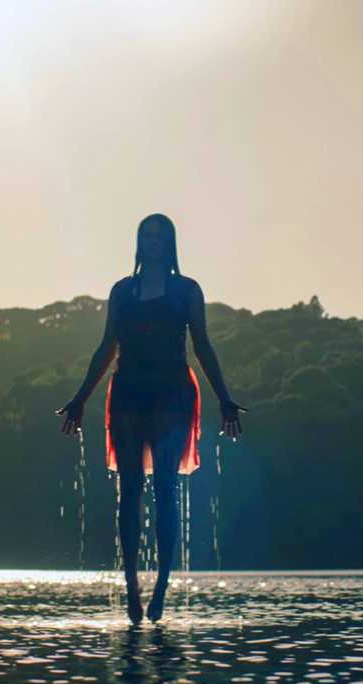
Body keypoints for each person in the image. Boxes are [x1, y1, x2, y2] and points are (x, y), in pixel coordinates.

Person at [57, 213, 245, 624]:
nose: (153, 242)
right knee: (129, 494)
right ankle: (131, 590)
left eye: (160, 237)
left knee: (164, 493)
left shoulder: (186, 290)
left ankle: (161, 587)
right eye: (147, 236)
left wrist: (225, 399)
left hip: (173, 396)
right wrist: (80, 398)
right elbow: (106, 346)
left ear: (170, 243)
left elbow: (204, 346)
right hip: (127, 395)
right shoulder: (123, 292)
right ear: (139, 243)